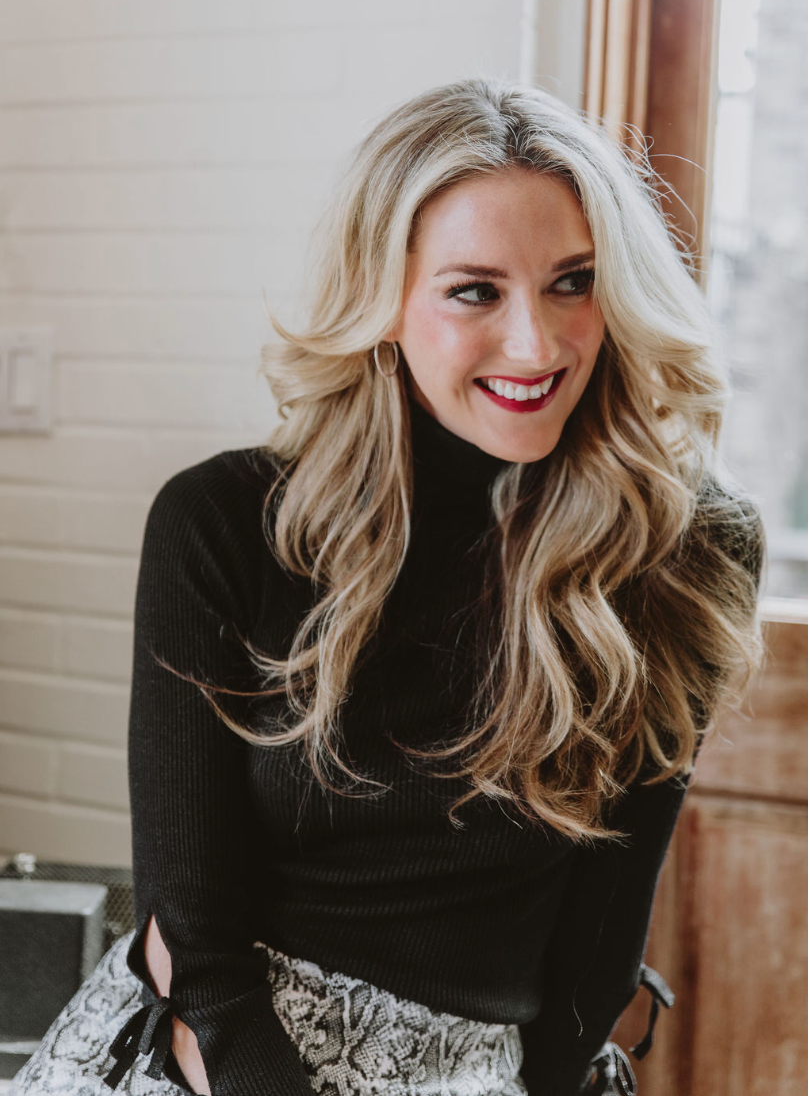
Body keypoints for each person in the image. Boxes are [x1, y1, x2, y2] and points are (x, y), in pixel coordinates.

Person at [11, 78, 763, 1096]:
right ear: (384, 301)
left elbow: (600, 941)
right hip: (218, 1060)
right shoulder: (222, 523)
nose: (537, 343)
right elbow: (198, 947)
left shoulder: (687, 545)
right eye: (474, 290)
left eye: (574, 282)